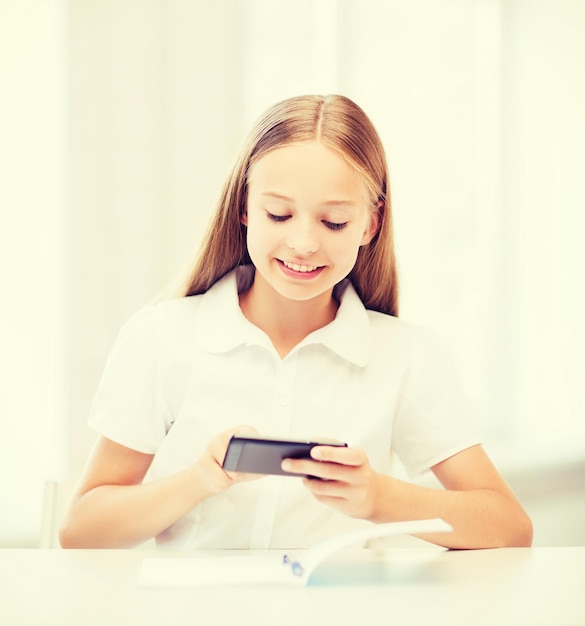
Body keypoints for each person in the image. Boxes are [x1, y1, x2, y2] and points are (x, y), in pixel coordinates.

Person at [59, 94, 532, 550]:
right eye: (279, 213)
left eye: (334, 223)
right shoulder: (161, 337)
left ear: (370, 224)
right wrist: (200, 478)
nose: (303, 243)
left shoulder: (406, 355)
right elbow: (81, 531)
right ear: (244, 207)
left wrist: (378, 497)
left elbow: (509, 526)